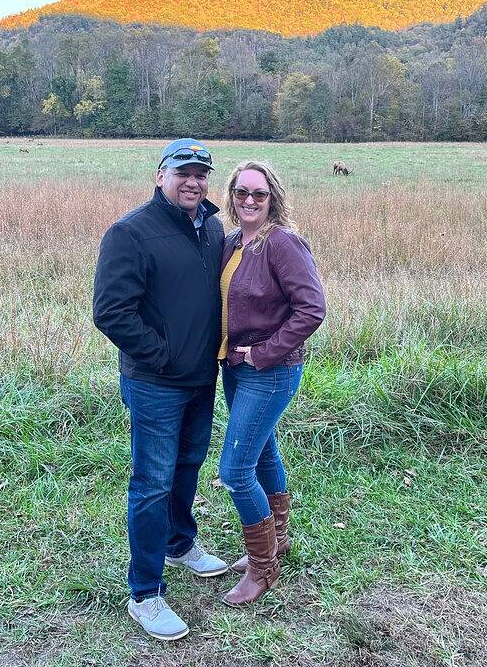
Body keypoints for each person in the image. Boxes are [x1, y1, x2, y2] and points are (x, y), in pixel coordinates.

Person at [93, 138, 228, 641]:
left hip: (201, 378)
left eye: (201, 173)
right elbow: (110, 311)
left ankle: (179, 542)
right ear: (160, 175)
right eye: (183, 172)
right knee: (151, 482)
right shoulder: (130, 232)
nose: (193, 181)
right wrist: (161, 355)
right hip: (155, 383)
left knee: (188, 466)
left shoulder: (212, 228)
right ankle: (145, 593)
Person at [217, 161, 326, 606]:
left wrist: (263, 353)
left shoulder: (282, 244)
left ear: (272, 199)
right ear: (231, 195)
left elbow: (312, 309)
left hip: (270, 370)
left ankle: (263, 568)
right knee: (262, 453)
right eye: (242, 192)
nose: (249, 200)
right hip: (234, 367)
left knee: (235, 470)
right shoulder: (230, 244)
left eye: (258, 194)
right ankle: (276, 537)